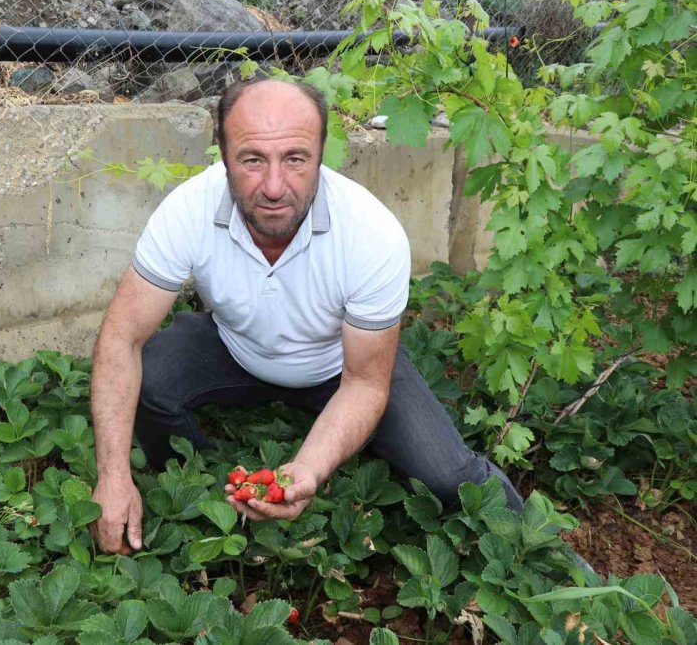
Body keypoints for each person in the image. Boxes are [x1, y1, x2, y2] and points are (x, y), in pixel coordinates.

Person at [88, 77, 524, 556]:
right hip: (238, 346)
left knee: (450, 476)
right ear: (223, 154)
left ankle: (546, 555)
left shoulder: (370, 233)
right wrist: (112, 477)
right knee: (148, 381)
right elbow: (120, 338)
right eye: (252, 160)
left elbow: (365, 383)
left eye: (295, 159)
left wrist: (309, 469)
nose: (274, 187)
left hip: (341, 366)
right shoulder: (187, 210)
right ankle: (209, 491)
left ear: (321, 154)